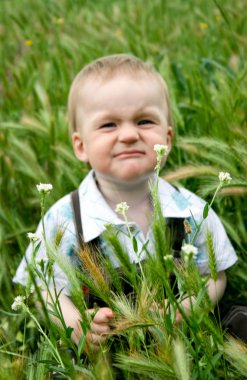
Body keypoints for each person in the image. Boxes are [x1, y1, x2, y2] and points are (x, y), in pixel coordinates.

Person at [13, 54, 239, 352]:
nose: (130, 135)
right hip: (103, 355)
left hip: (179, 346)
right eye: (108, 125)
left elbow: (214, 275)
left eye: (144, 121)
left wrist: (187, 308)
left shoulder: (191, 212)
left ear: (167, 139)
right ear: (81, 146)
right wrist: (73, 324)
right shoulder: (65, 220)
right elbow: (40, 288)